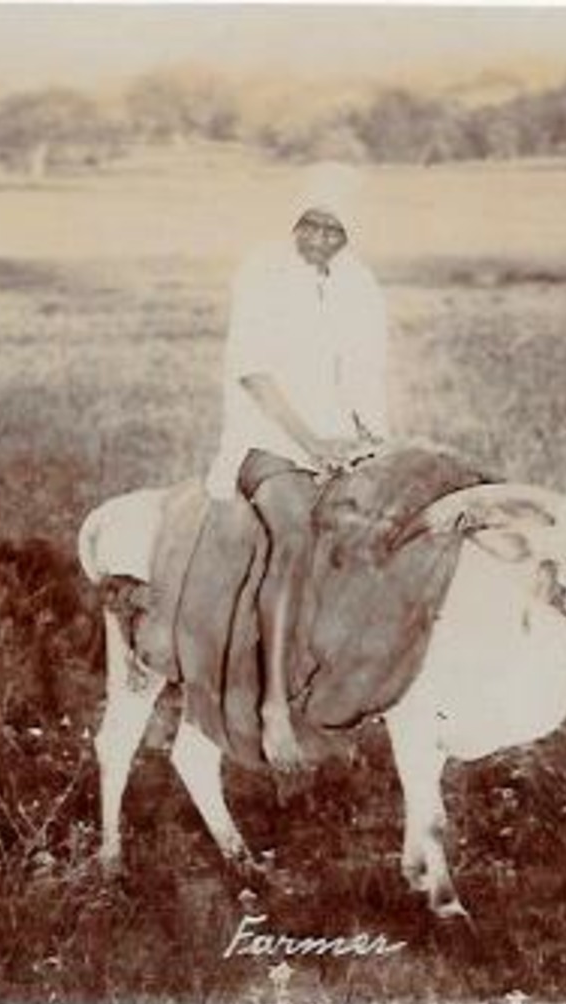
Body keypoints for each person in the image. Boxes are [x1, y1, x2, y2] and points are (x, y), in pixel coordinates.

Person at [206, 163, 392, 769]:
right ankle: (274, 707)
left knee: (387, 539)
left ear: (350, 236)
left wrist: (367, 436)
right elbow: (254, 371)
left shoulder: (358, 283)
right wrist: (312, 443)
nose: (318, 240)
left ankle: (358, 691)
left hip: (337, 445)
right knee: (295, 535)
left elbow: (367, 371)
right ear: (294, 222)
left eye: (333, 231)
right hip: (269, 441)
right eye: (309, 226)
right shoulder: (262, 272)